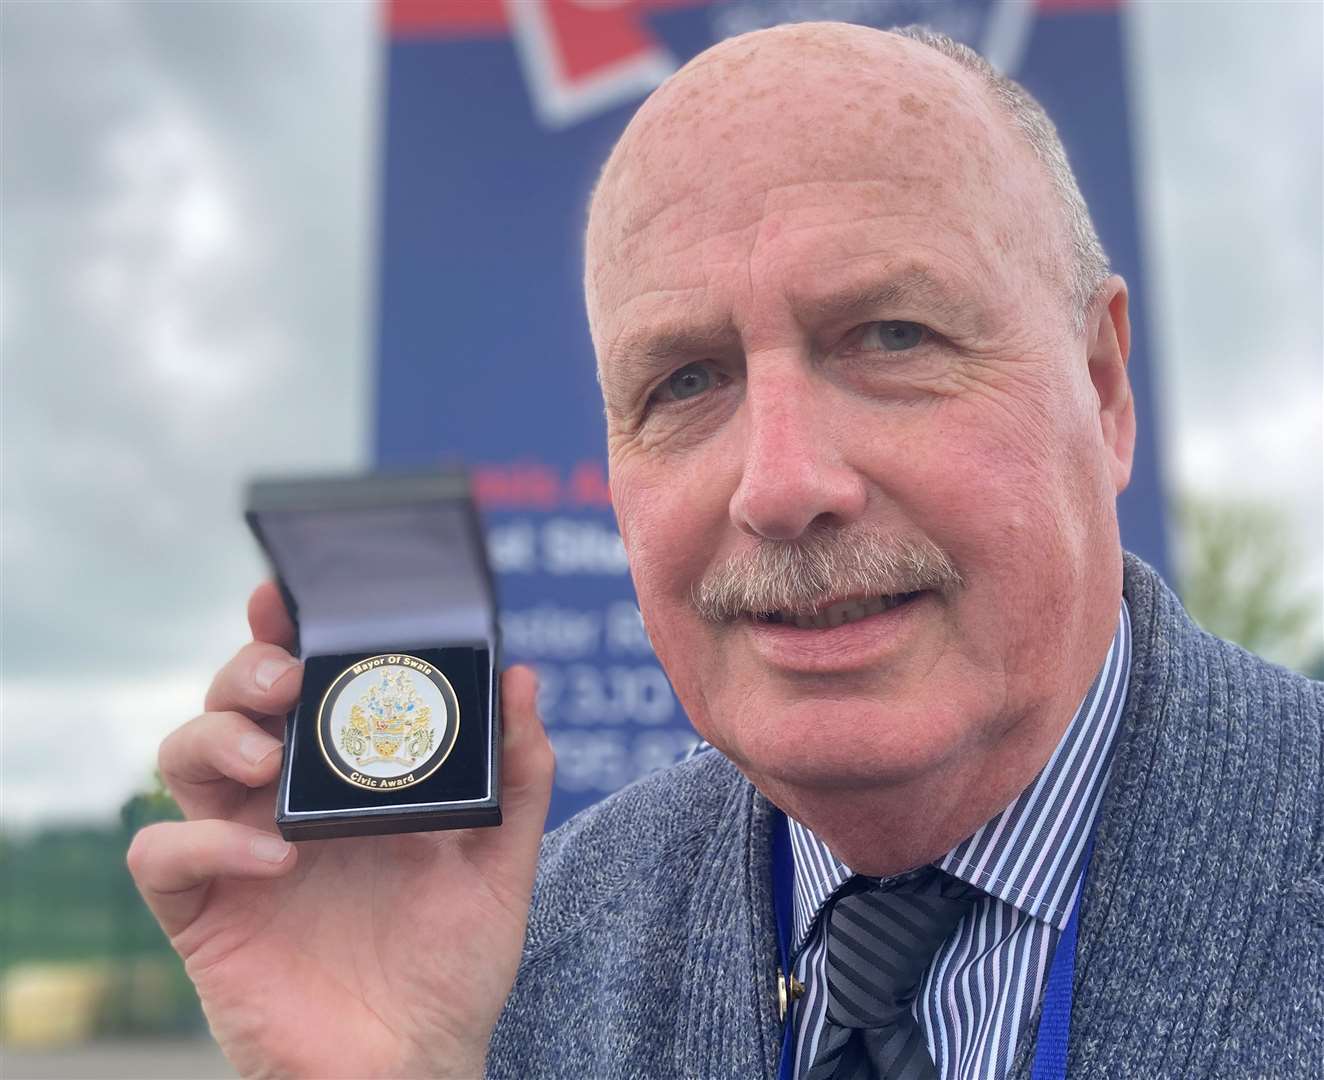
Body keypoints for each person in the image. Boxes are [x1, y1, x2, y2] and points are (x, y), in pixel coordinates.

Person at [128, 22, 1322, 1080]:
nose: (782, 484)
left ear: (1104, 389)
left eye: (891, 334)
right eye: (685, 380)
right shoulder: (513, 970)